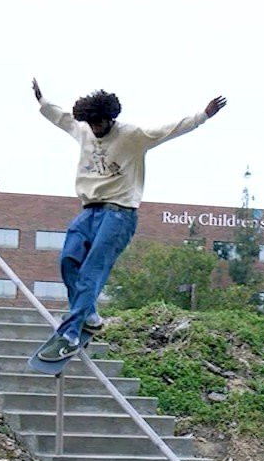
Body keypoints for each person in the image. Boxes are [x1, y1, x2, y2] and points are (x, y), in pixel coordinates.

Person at [31, 78, 227, 361]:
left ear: (110, 119)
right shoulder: (84, 129)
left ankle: (70, 334)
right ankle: (91, 315)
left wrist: (202, 116)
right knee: (68, 261)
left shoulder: (133, 135)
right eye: (92, 124)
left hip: (119, 214)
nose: (96, 130)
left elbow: (169, 130)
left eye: (100, 124)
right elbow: (62, 119)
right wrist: (42, 101)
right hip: (89, 211)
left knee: (91, 272)